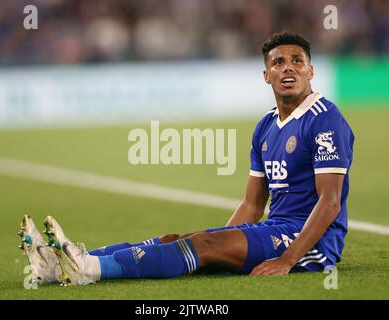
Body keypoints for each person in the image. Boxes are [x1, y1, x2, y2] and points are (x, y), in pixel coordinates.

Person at [17, 31, 354, 286]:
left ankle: (89, 270)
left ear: (311, 71)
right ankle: (65, 263)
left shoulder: (324, 119)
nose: (288, 68)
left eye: (297, 61)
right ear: (266, 75)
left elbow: (330, 202)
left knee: (203, 244)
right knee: (176, 240)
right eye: (278, 62)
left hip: (309, 243)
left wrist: (287, 260)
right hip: (274, 228)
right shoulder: (266, 126)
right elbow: (252, 205)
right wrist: (223, 245)